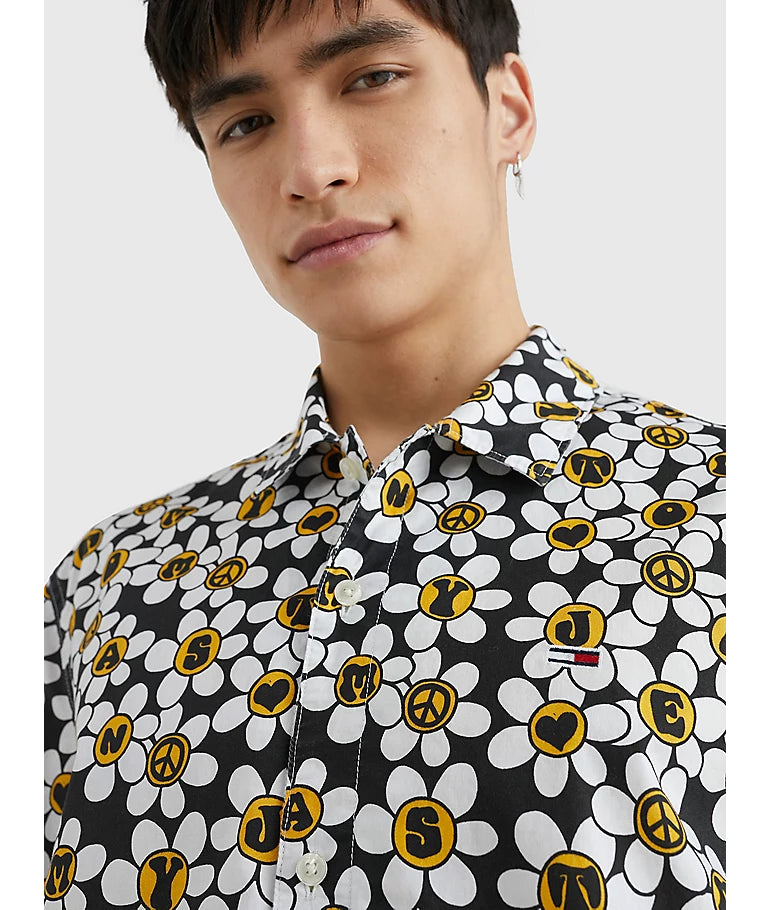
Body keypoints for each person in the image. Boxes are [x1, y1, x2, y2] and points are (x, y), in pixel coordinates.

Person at [43, 0, 726, 907]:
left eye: (372, 78)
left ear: (509, 109)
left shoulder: (722, 518)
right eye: (246, 123)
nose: (311, 170)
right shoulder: (108, 589)